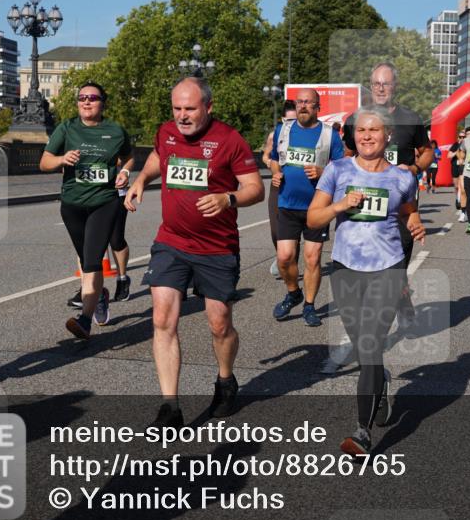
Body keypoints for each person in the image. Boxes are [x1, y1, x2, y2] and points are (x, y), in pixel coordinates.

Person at [125, 77, 263, 426]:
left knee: (219, 325)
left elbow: (255, 189)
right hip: (172, 242)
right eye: (177, 108)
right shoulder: (167, 132)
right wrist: (141, 181)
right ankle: (169, 406)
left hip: (217, 248)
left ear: (208, 107)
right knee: (162, 318)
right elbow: (160, 155)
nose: (182, 116)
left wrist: (227, 198)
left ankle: (225, 379)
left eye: (190, 108)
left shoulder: (229, 140)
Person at [308, 107, 425, 455]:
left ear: (387, 135)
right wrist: (340, 205)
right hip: (345, 267)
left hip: (387, 267)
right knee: (364, 348)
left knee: (372, 344)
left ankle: (362, 432)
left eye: (374, 130)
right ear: (353, 135)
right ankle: (380, 383)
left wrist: (416, 223)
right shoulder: (337, 169)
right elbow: (314, 218)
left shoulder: (403, 177)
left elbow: (408, 209)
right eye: (361, 130)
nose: (367, 136)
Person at [341, 63, 433, 344]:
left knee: (394, 268)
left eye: (386, 84)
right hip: (364, 205)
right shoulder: (356, 118)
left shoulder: (410, 118)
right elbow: (346, 153)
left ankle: (389, 315)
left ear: (395, 87)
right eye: (376, 84)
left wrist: (415, 169)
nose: (381, 89)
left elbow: (427, 152)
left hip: (401, 208)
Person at [41, 81, 133, 340]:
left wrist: (124, 172)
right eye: (82, 97)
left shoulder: (115, 130)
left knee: (93, 260)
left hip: (104, 202)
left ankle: (84, 320)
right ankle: (100, 295)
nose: (86, 101)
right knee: (84, 257)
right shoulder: (67, 128)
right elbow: (44, 161)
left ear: (103, 102)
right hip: (72, 205)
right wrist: (61, 159)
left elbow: (128, 156)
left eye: (92, 97)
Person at [268, 88, 345, 327]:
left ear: (317, 107)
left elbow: (341, 168)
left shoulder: (329, 135)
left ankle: (309, 306)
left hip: (317, 206)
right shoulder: (283, 130)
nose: (303, 106)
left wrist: (323, 172)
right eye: (299, 102)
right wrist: (276, 172)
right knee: (284, 257)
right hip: (287, 202)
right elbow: (272, 159)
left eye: (308, 103)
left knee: (312, 260)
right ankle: (293, 293)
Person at [261, 100, 298, 278]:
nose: (291, 124)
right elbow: (266, 155)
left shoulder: (305, 136)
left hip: (298, 186)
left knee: (293, 227)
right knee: (276, 229)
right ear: (283, 119)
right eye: (288, 121)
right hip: (278, 185)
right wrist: (269, 162)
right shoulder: (274, 135)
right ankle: (280, 254)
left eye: (295, 120)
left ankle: (290, 260)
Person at [451, 130, 467, 222]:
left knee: (464, 189)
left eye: (463, 137)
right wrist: (456, 151)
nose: (462, 138)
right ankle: (458, 199)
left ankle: (463, 208)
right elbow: (449, 156)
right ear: (458, 138)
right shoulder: (455, 145)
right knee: (457, 187)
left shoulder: (468, 145)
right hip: (455, 167)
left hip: (465, 168)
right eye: (460, 137)